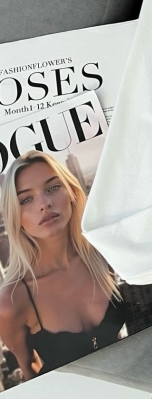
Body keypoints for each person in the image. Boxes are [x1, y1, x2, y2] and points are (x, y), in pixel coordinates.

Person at [0, 151, 126, 380]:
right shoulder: (12, 300)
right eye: (26, 199)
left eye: (53, 188)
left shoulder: (101, 255)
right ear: (15, 217)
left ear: (72, 193)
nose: (44, 204)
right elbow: (30, 373)